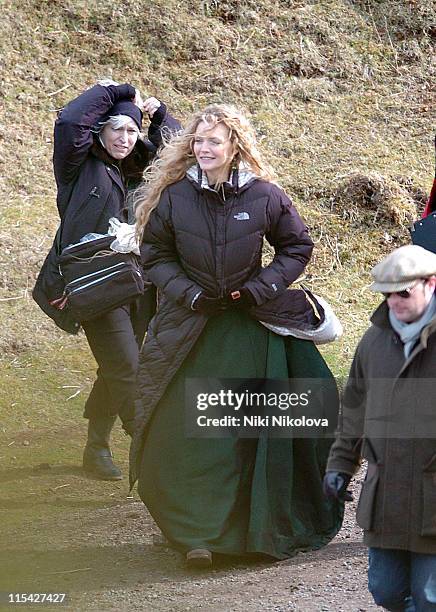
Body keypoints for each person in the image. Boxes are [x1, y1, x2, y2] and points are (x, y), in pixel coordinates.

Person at [131, 104, 343, 568]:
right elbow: (156, 254)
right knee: (185, 434)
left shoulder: (265, 195)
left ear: (234, 147)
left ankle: (258, 531)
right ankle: (197, 535)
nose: (203, 149)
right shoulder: (174, 197)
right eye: (198, 141)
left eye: (213, 141)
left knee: (258, 430)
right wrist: (188, 295)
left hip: (251, 324)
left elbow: (297, 245)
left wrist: (260, 287)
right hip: (191, 328)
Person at [53, 80, 181, 480]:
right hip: (96, 284)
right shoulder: (78, 166)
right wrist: (117, 90)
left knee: (115, 367)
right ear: (101, 132)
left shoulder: (143, 170)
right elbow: (71, 120)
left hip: (140, 285)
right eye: (116, 129)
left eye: (131, 130)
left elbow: (182, 153)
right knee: (128, 367)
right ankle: (154, 455)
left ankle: (95, 447)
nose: (125, 138)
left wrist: (159, 116)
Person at [323, 244, 436, 610]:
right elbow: (353, 410)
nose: (395, 302)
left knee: (428, 597)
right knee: (386, 591)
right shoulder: (373, 341)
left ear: (430, 284)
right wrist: (340, 466)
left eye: (404, 293)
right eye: (387, 294)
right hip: (386, 497)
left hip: (433, 500)